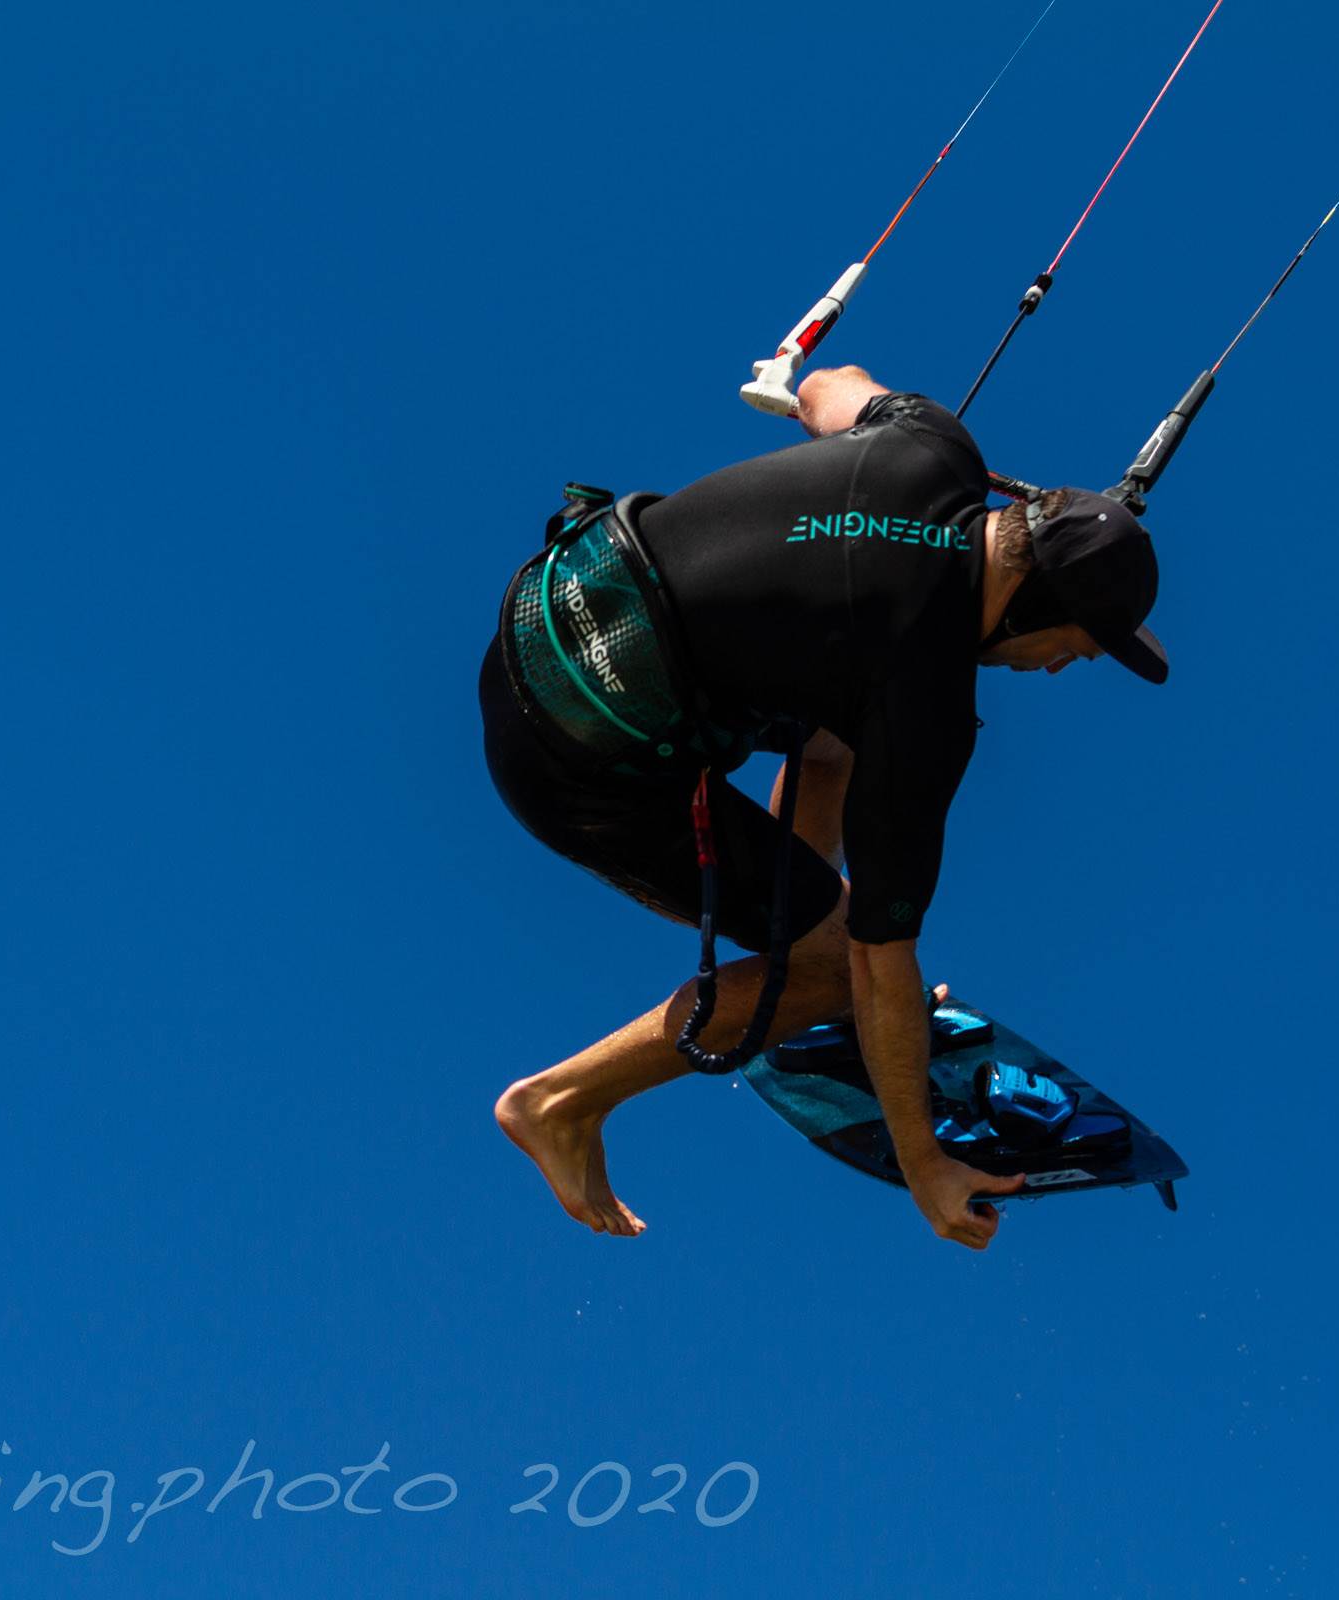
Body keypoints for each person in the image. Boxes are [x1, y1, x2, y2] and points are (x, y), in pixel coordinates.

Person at [480, 365, 1167, 1251]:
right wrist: (925, 1164)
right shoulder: (920, 704)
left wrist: (805, 391)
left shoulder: (933, 444)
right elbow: (884, 960)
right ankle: (559, 1103)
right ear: (1035, 600)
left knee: (835, 741)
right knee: (844, 967)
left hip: (544, 619)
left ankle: (796, 940)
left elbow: (823, 389)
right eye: (1075, 646)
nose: (1062, 666)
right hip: (571, 767)